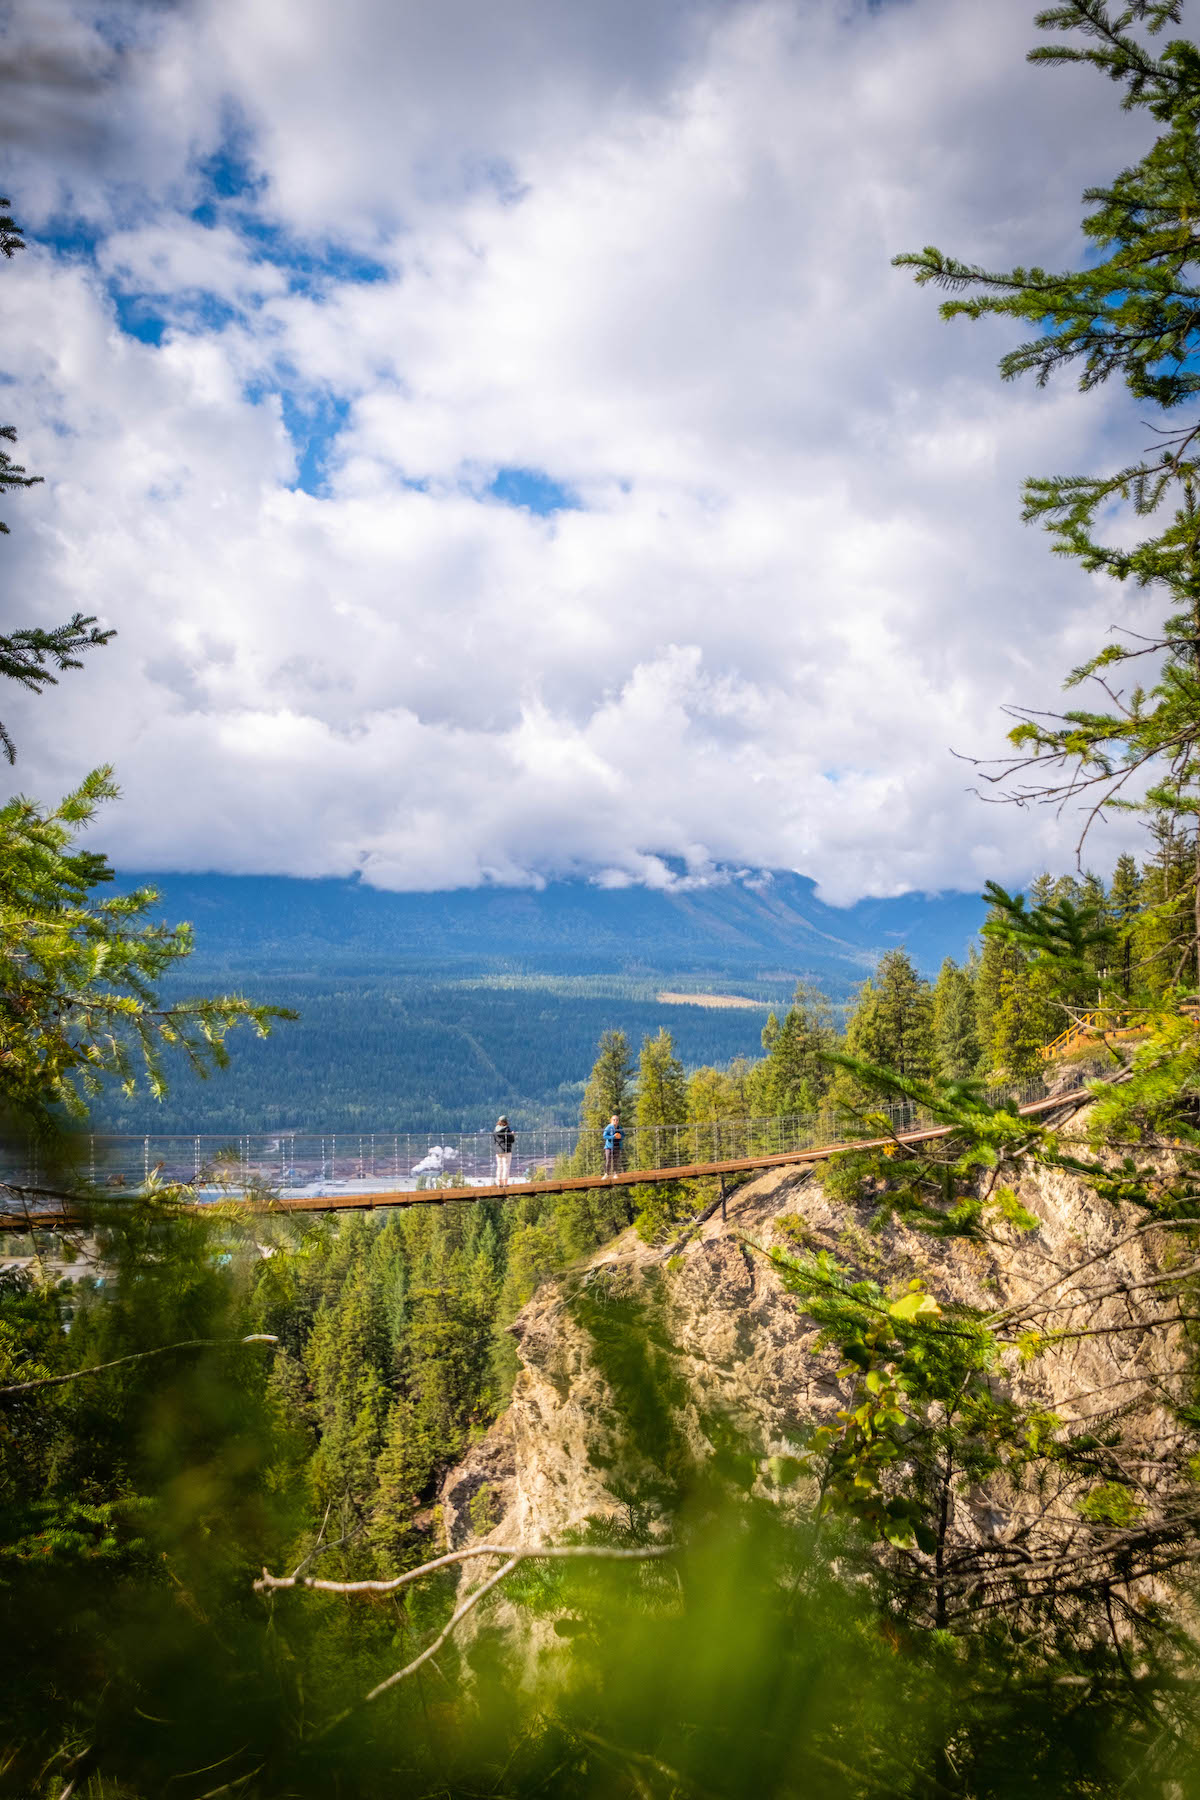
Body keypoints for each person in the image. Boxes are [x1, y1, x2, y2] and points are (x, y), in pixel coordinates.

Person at [493, 1116, 516, 1186]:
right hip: (506, 1150)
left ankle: (499, 1182)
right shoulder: (506, 1129)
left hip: (498, 1150)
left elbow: (495, 1140)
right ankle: (505, 1183)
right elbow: (511, 1140)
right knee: (506, 1166)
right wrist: (512, 1135)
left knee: (499, 1166)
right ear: (505, 1122)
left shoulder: (495, 1130)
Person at [603, 1113, 623, 1177]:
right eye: (614, 1120)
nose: (615, 1121)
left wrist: (620, 1137)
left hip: (617, 1146)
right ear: (611, 1120)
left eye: (617, 1120)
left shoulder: (620, 1128)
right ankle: (606, 1173)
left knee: (615, 1160)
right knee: (608, 1160)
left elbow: (623, 1135)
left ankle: (615, 1173)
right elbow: (604, 1136)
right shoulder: (609, 1127)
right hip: (609, 1146)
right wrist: (613, 1137)